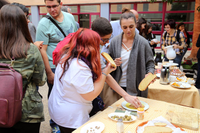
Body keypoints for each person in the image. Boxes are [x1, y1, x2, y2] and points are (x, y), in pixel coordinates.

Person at [48, 28, 116, 132]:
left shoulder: (66, 56)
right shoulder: (79, 67)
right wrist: (105, 73)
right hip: (71, 117)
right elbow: (90, 95)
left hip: (60, 109)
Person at [0, 4, 46, 133]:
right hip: (27, 111)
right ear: (22, 23)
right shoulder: (31, 49)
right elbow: (40, 81)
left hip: (2, 108)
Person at [36, 0, 77, 132]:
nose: (52, 9)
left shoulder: (70, 17)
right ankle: (55, 122)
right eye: (48, 7)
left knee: (71, 93)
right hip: (54, 66)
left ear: (61, 4)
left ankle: (69, 119)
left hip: (70, 63)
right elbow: (42, 50)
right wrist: (49, 73)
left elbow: (76, 39)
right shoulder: (43, 24)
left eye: (54, 6)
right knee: (55, 96)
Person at [92, 17, 142, 108]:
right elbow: (105, 75)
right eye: (104, 40)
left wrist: (107, 70)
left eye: (109, 38)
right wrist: (126, 95)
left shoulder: (95, 47)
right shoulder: (90, 49)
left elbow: (105, 72)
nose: (107, 42)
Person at [108, 11, 155, 98]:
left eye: (131, 26)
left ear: (136, 24)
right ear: (120, 26)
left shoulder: (143, 42)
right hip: (117, 88)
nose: (128, 30)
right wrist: (113, 63)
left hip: (136, 88)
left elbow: (151, 64)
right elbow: (108, 63)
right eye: (125, 27)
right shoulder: (114, 42)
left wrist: (149, 73)